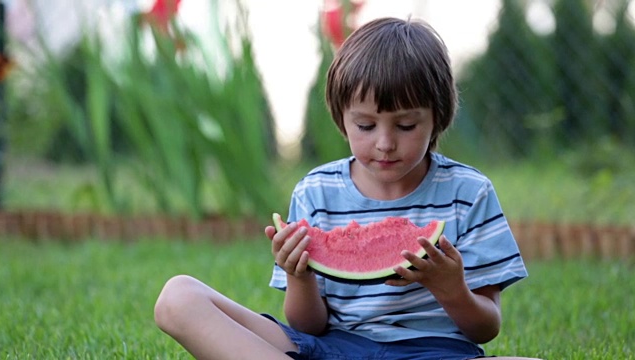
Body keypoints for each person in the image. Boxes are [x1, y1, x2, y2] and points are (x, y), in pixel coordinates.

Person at [154, 17, 539, 360]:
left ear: (438, 117)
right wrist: (300, 276)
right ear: (342, 119)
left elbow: (486, 328)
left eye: (405, 126)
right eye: (366, 126)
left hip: (434, 352)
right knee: (178, 297)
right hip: (331, 348)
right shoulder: (316, 191)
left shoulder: (469, 193)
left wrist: (451, 289)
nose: (385, 143)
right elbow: (308, 327)